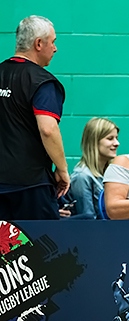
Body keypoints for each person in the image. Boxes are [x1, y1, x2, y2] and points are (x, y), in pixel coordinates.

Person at [0, 15, 69, 220]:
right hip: (30, 187)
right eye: (53, 42)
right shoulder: (43, 83)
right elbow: (48, 129)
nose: (55, 48)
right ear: (39, 43)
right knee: (39, 249)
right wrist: (63, 170)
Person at [69, 117, 120, 219]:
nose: (117, 143)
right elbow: (88, 219)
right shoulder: (82, 177)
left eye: (116, 138)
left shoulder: (112, 173)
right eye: (110, 138)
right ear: (94, 141)